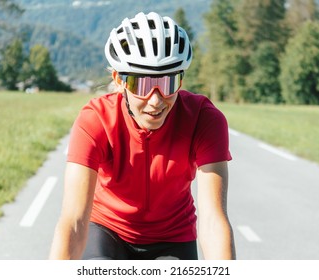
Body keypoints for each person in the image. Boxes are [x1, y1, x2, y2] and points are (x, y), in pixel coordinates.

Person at [49, 11, 236, 260]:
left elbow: (213, 220)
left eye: (168, 83)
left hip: (173, 237)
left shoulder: (204, 119)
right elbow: (74, 222)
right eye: (143, 85)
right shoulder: (95, 120)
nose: (156, 100)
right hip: (107, 231)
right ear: (119, 80)